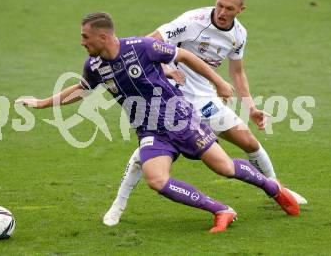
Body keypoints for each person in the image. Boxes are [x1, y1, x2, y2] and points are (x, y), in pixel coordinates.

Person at [16, 12, 299, 233]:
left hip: (181, 119)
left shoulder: (142, 47)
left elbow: (185, 55)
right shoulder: (94, 66)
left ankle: (273, 188)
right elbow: (81, 89)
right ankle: (221, 210)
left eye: (85, 37)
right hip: (150, 130)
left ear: (103, 36)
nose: (82, 42)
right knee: (157, 180)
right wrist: (42, 103)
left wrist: (219, 81)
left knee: (224, 168)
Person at [103, 0, 307, 226]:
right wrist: (166, 69)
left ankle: (278, 190)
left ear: (241, 9)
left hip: (204, 100)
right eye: (219, 5)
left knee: (249, 142)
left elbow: (238, 72)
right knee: (144, 155)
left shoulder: (239, 34)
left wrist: (250, 107)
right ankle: (118, 204)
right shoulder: (191, 21)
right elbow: (146, 45)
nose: (222, 12)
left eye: (229, 8)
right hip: (172, 100)